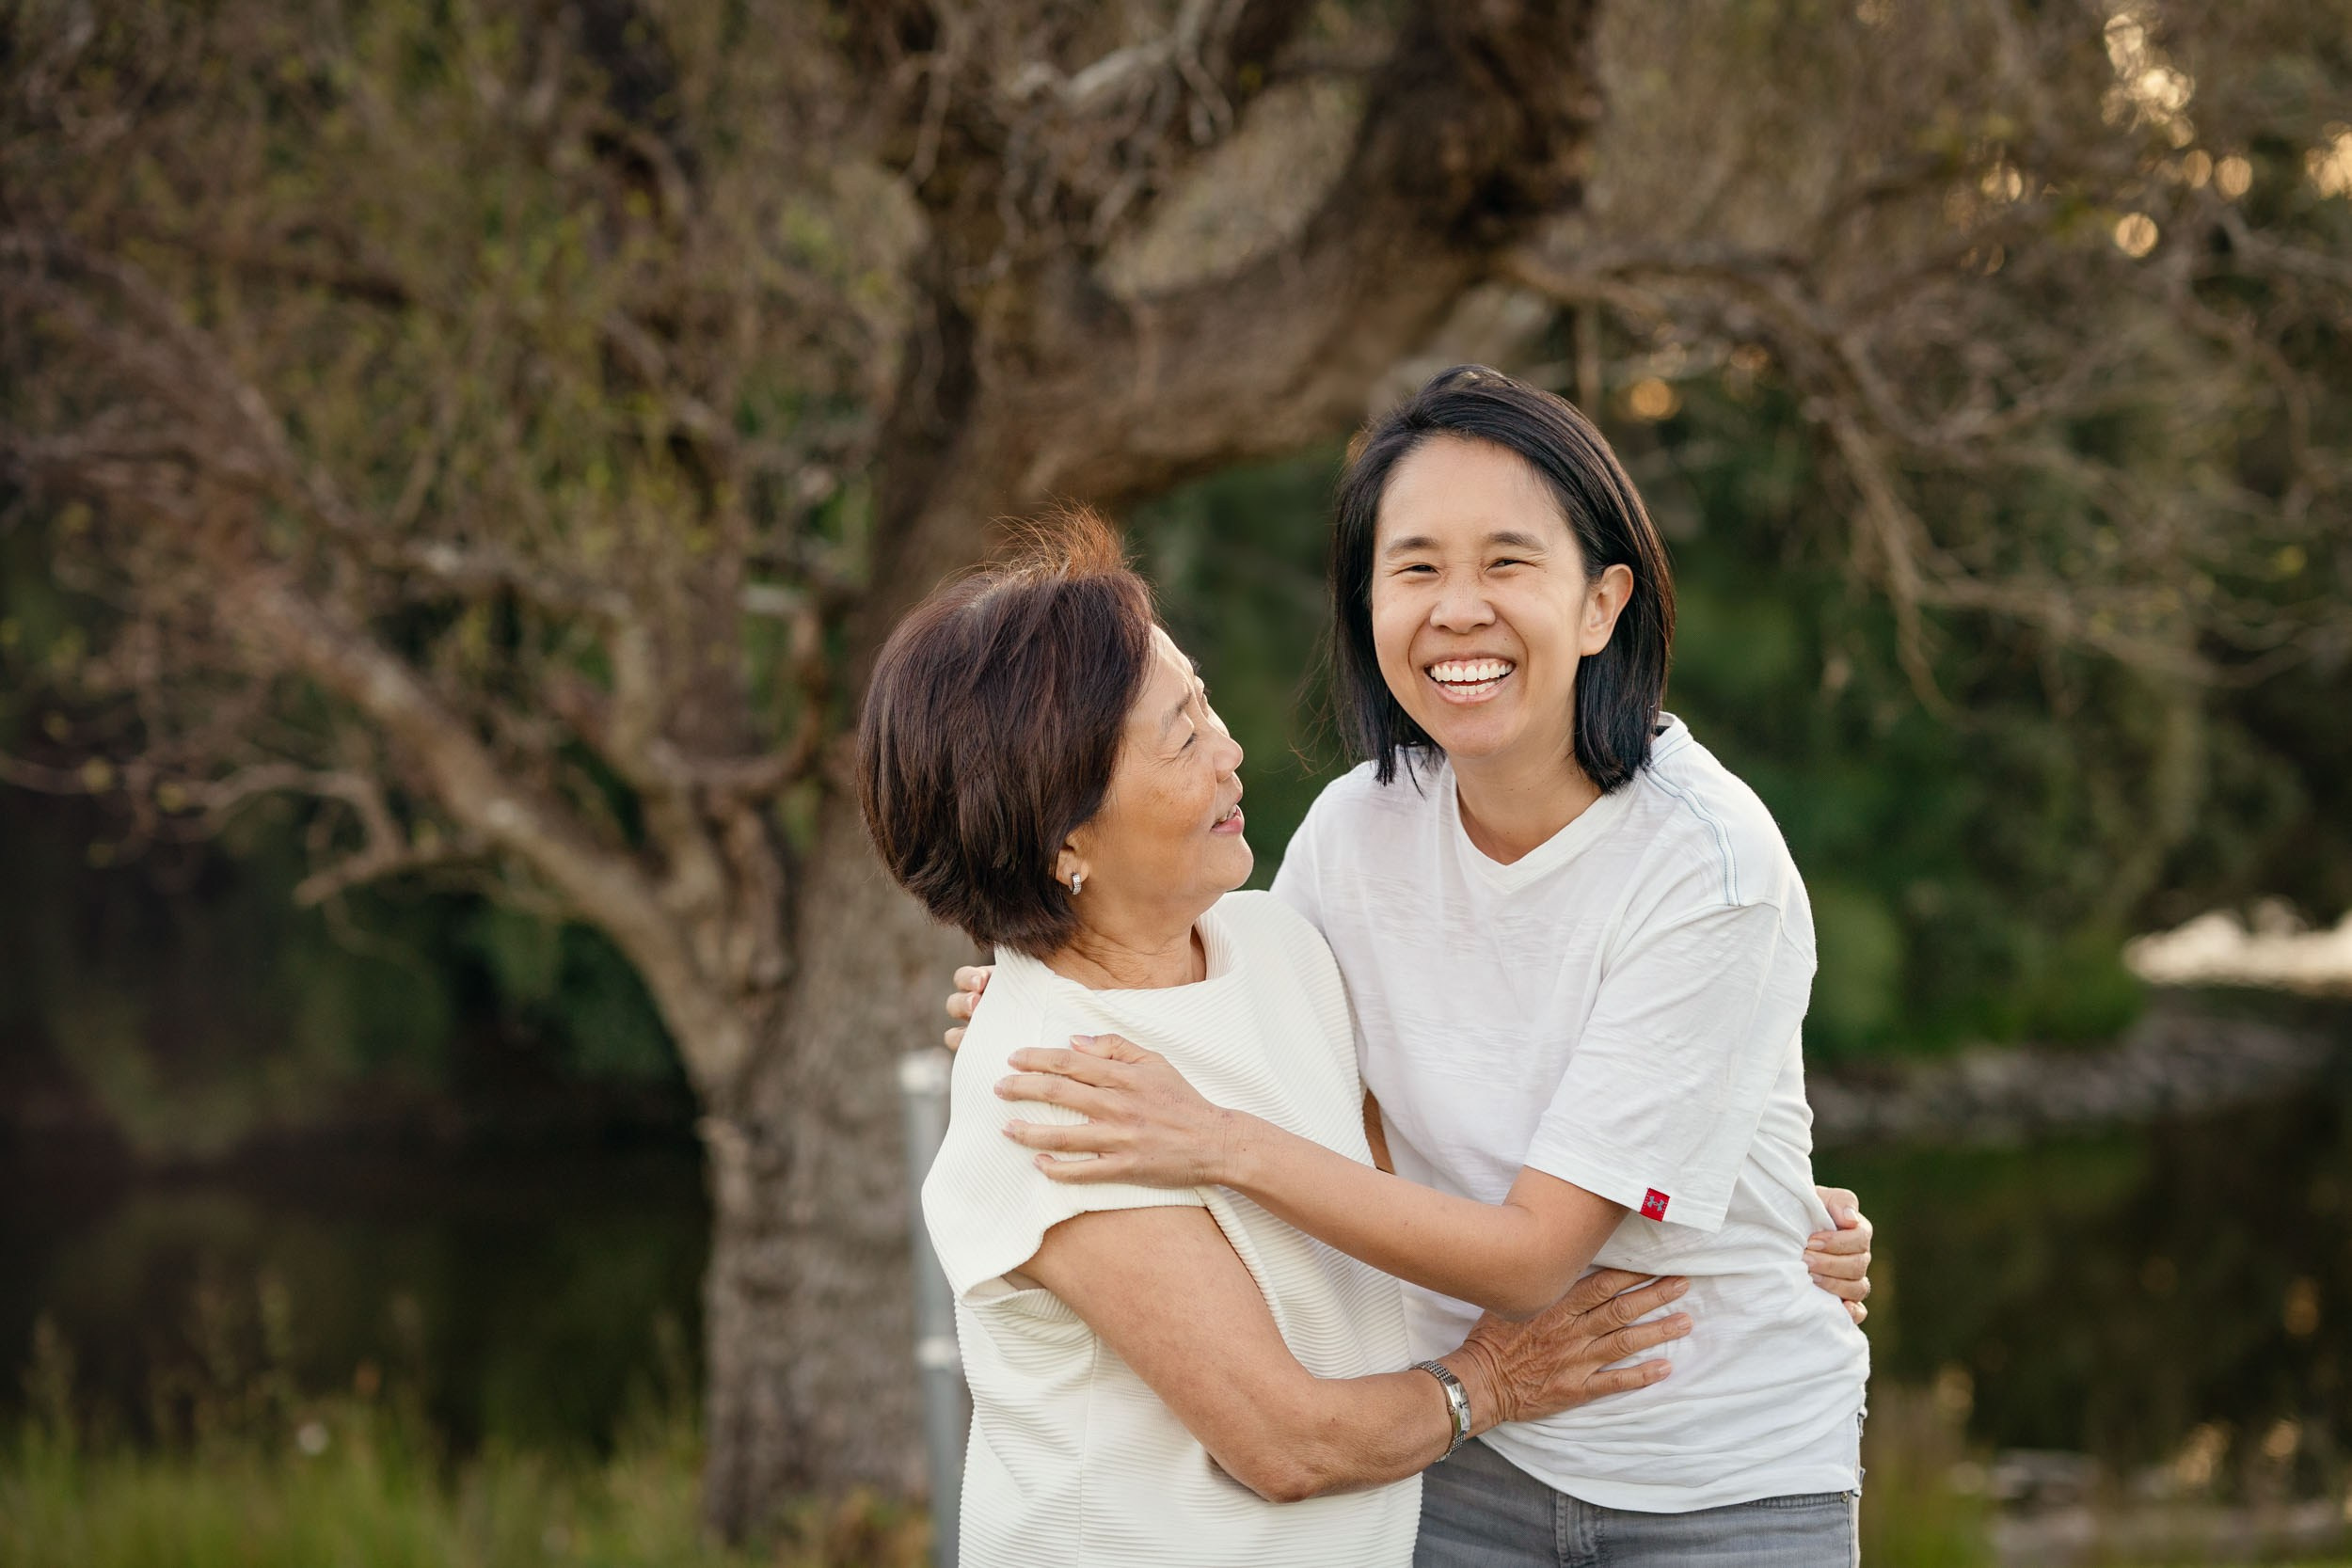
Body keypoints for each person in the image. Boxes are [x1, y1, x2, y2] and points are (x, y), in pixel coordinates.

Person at [953, 366, 1874, 1565]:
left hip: (1714, 1475)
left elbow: (1539, 1251)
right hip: (1454, 1467)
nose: (1457, 609)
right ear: (1368, 601)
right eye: (1416, 567)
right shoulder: (1356, 828)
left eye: (1507, 562)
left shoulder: (1708, 866)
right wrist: (1024, 998)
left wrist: (1216, 1140)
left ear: (1602, 604)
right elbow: (1234, 1007)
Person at [857, 514, 1700, 1568]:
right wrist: (1494, 1377)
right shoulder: (1058, 1093)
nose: (1231, 750)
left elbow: (1426, 1157)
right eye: (1182, 734)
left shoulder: (1272, 942)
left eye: (1203, 702)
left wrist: (1753, 1217)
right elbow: (1285, 1441)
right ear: (1064, 839)